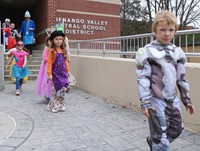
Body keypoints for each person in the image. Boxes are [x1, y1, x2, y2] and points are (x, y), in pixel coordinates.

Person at [135, 10, 195, 151]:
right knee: (161, 138)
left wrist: (187, 100)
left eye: (171, 30)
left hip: (172, 99)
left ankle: (155, 142)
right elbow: (142, 78)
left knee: (178, 128)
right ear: (155, 29)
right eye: (162, 29)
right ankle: (159, 144)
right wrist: (145, 102)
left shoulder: (177, 52)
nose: (167, 33)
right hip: (156, 100)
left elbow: (181, 78)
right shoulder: (147, 52)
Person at [47, 30, 70, 113]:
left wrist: (68, 70)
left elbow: (65, 62)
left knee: (63, 89)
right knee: (55, 91)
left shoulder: (63, 50)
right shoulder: (52, 51)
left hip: (63, 74)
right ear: (53, 40)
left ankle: (61, 104)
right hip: (54, 74)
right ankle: (55, 105)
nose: (59, 41)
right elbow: (49, 63)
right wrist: (49, 74)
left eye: (60, 39)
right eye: (56, 39)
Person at [34, 36, 51, 102]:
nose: (51, 42)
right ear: (47, 42)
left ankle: (51, 94)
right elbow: (44, 57)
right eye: (49, 41)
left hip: (53, 67)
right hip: (46, 67)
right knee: (46, 80)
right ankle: (47, 94)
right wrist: (51, 60)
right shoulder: (46, 48)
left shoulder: (54, 49)